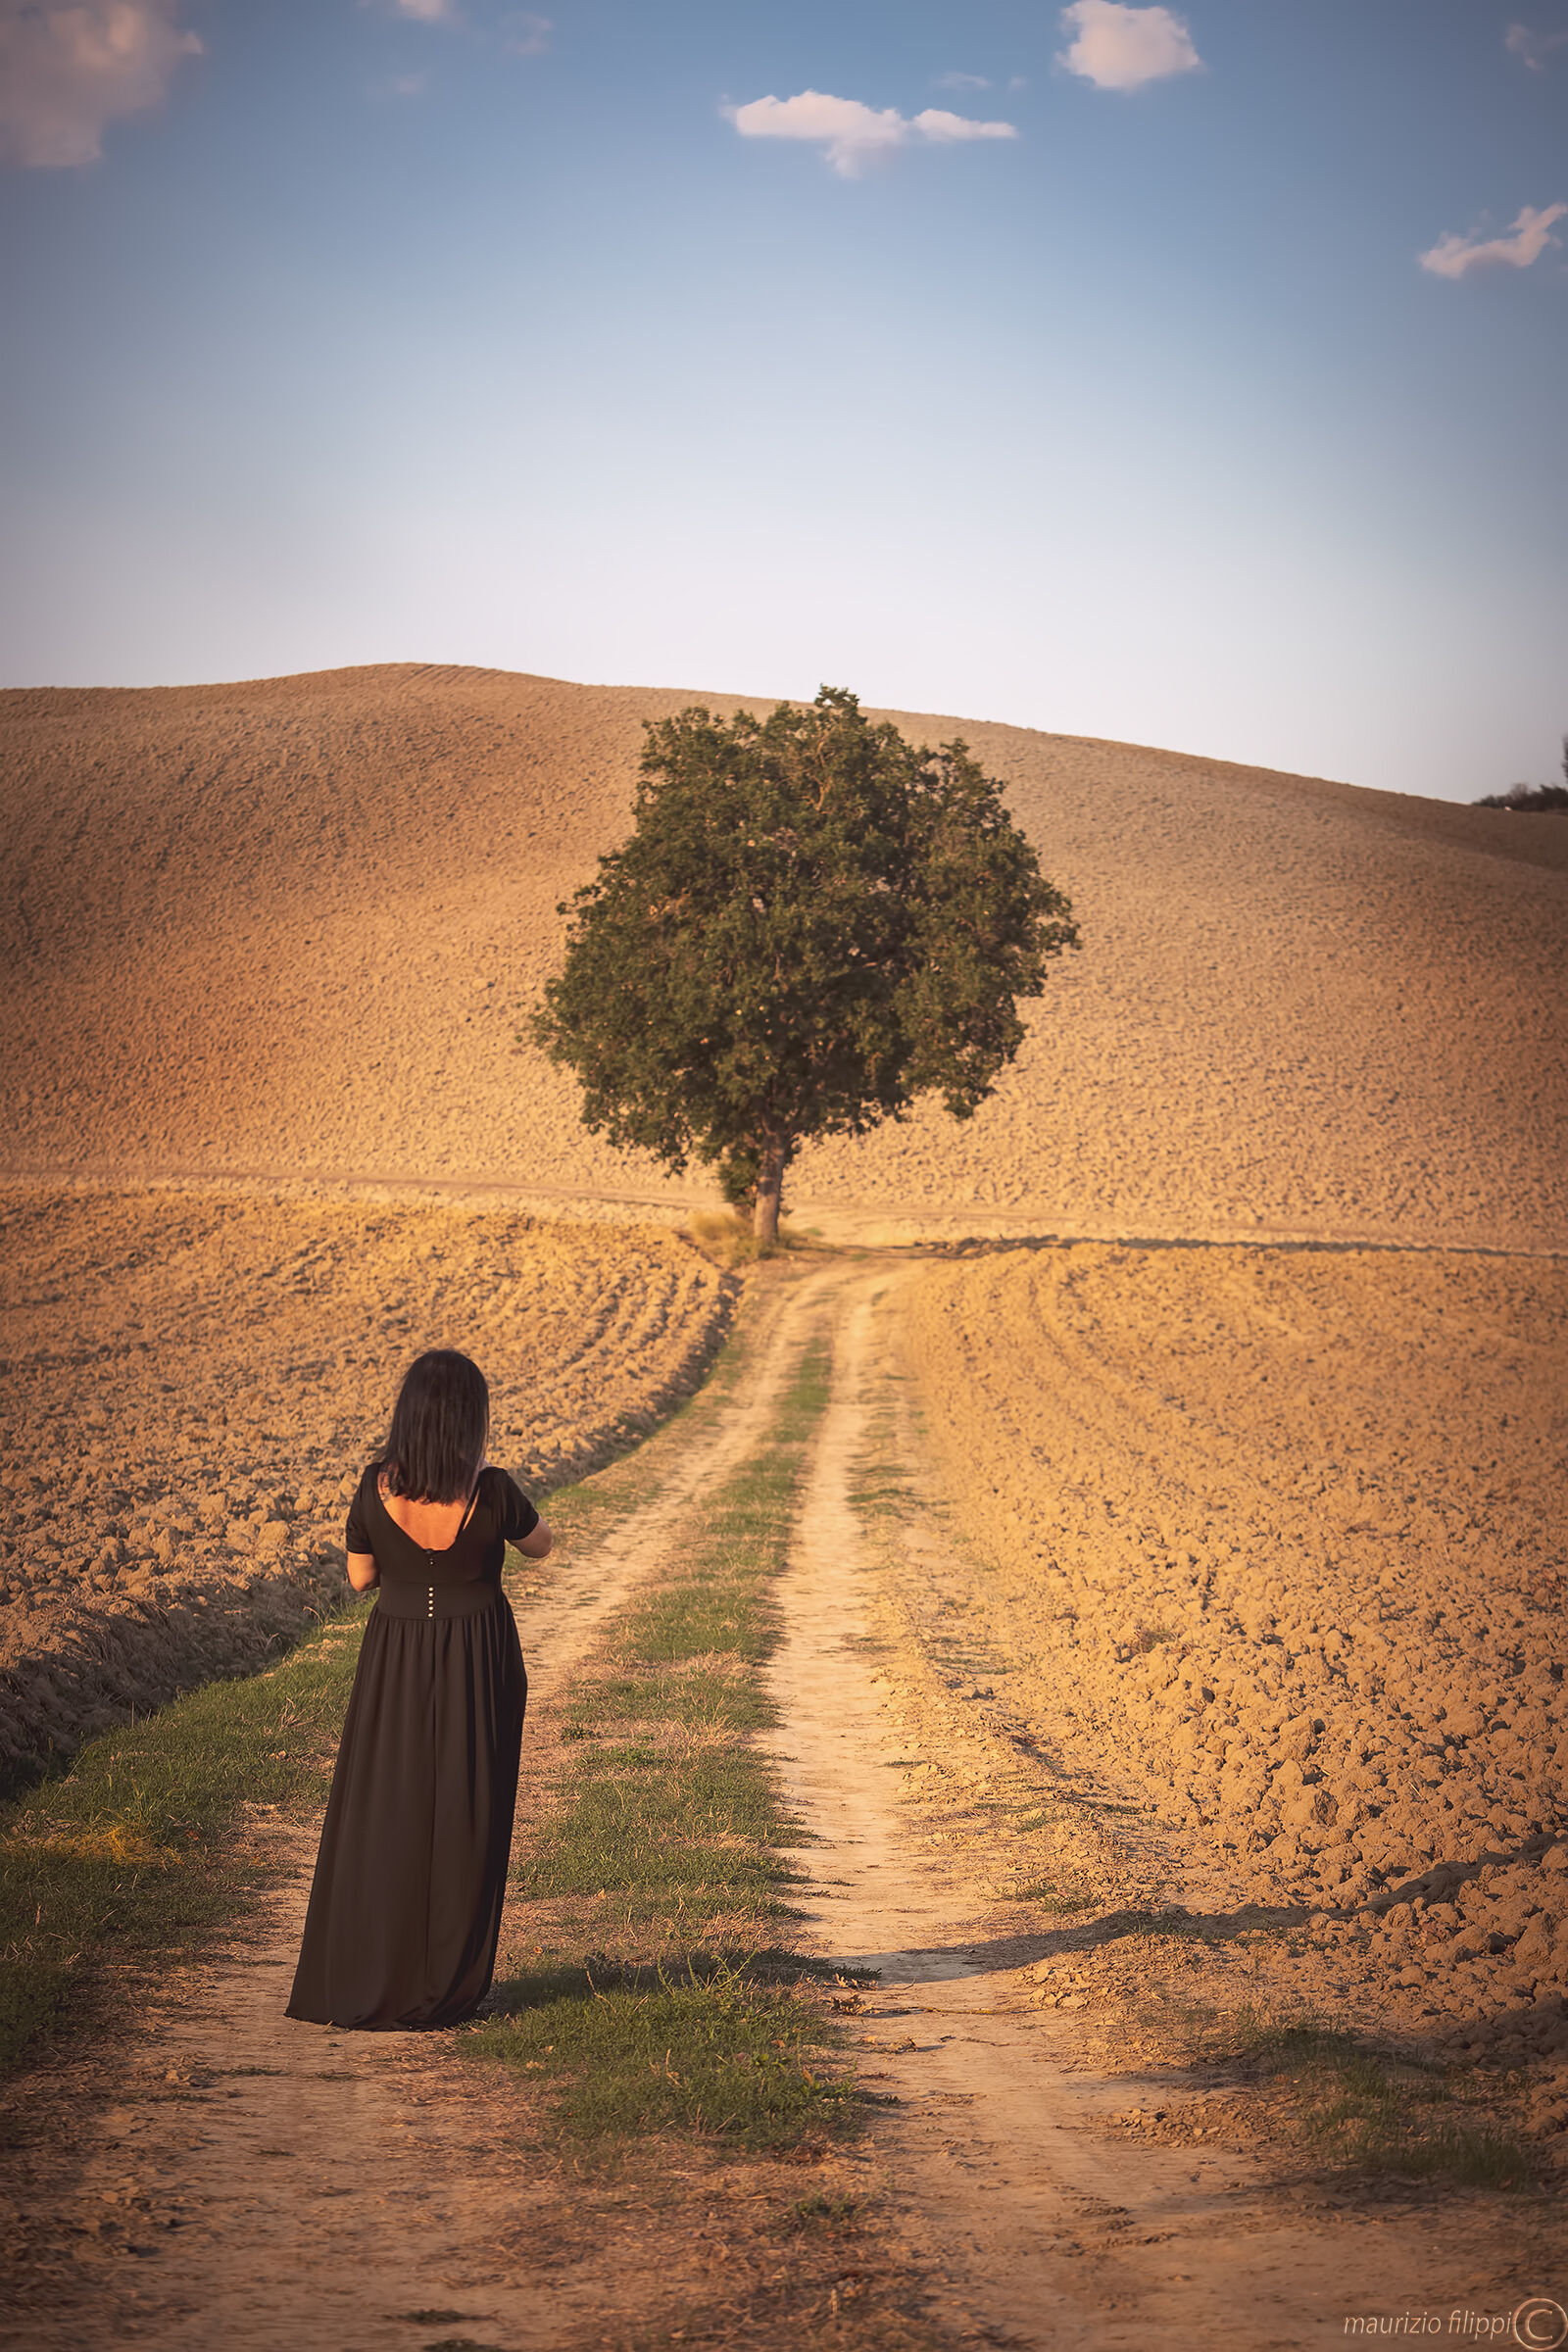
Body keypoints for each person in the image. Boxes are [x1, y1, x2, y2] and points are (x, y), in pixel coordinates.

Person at [286, 1348, 551, 2030]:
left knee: (390, 1809)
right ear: (471, 1418)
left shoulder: (375, 1486)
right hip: (479, 1659)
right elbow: (541, 1544)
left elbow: (359, 1578)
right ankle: (448, 1982)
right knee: (468, 1812)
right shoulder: (492, 1491)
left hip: (396, 1659)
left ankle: (375, 1971)